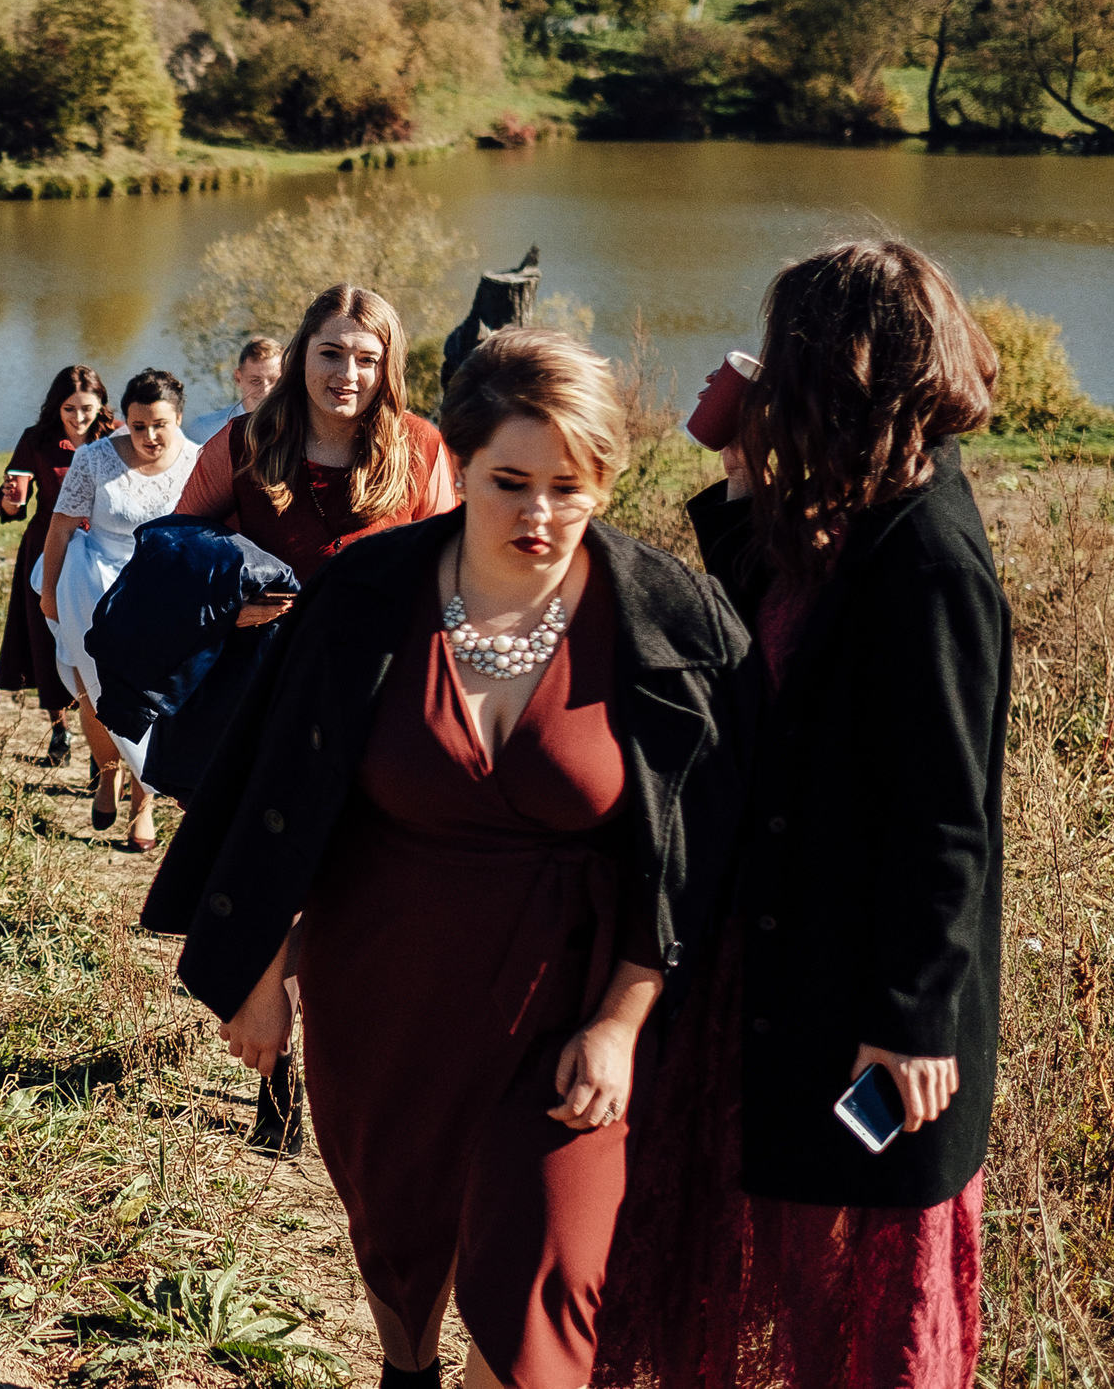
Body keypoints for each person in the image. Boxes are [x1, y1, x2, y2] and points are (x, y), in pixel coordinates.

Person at [156, 330, 751, 1389]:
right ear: (458, 465)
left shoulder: (672, 621)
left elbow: (698, 854)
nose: (537, 517)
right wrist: (257, 968)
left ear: (605, 481)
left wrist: (622, 1019)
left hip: (567, 1007)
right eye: (508, 482)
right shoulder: (365, 597)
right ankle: (405, 1370)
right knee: (399, 1239)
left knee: (544, 1300)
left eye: (568, 488)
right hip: (384, 985)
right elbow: (272, 795)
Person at [597, 242, 1008, 1389]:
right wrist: (740, 479)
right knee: (759, 1257)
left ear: (833, 370)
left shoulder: (926, 556)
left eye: (783, 355)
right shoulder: (845, 508)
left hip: (863, 1008)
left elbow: (946, 816)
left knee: (843, 1302)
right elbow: (759, 669)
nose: (763, 371)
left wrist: (913, 1017)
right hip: (776, 971)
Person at [176, 285, 457, 584]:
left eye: (367, 360)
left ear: (386, 368)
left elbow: (449, 570)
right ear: (301, 357)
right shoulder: (246, 441)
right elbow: (173, 547)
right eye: (331, 354)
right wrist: (232, 604)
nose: (347, 374)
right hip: (269, 631)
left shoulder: (419, 444)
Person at [39, 367, 199, 850]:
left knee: (152, 701)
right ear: (125, 420)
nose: (149, 436)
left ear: (178, 419)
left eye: (160, 425)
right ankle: (108, 771)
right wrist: (49, 594)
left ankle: (142, 804)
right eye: (138, 425)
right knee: (97, 697)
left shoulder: (198, 461)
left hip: (165, 595)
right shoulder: (93, 459)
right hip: (94, 586)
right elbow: (62, 528)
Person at [0, 366, 114, 767]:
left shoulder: (115, 438)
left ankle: (104, 752)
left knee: (98, 647)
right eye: (69, 408)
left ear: (100, 405)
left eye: (86, 408)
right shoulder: (37, 439)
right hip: (46, 549)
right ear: (56, 406)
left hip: (100, 552)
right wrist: (11, 501)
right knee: (47, 641)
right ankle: (59, 734)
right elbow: (10, 503)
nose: (78, 417)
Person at [186, 335, 284, 443]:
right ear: (238, 378)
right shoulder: (205, 429)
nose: (265, 391)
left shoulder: (299, 429)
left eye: (274, 380)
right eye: (255, 381)